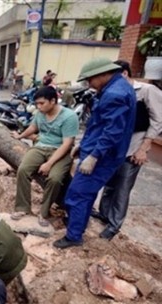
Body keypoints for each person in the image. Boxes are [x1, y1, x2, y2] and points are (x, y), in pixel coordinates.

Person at [53, 58, 136, 249]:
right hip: (100, 150)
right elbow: (100, 125)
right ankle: (78, 224)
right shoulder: (117, 87)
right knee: (87, 194)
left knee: (76, 194)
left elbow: (112, 131)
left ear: (102, 74)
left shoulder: (115, 94)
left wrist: (94, 155)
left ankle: (74, 236)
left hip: (103, 157)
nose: (89, 84)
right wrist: (83, 146)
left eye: (90, 80)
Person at [91, 60, 162, 240]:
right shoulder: (112, 92)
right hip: (114, 148)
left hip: (133, 147)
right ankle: (104, 214)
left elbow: (158, 120)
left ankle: (114, 224)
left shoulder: (146, 91)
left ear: (123, 73)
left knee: (122, 188)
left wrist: (144, 148)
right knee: (109, 184)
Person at [11, 86, 79, 226]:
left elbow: (67, 144)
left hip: (60, 151)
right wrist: (20, 136)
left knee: (54, 179)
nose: (39, 106)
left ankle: (44, 211)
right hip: (41, 147)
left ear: (53, 101)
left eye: (42, 103)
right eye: (37, 104)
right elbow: (33, 128)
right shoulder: (40, 113)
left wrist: (49, 164)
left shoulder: (69, 117)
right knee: (23, 170)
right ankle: (22, 207)